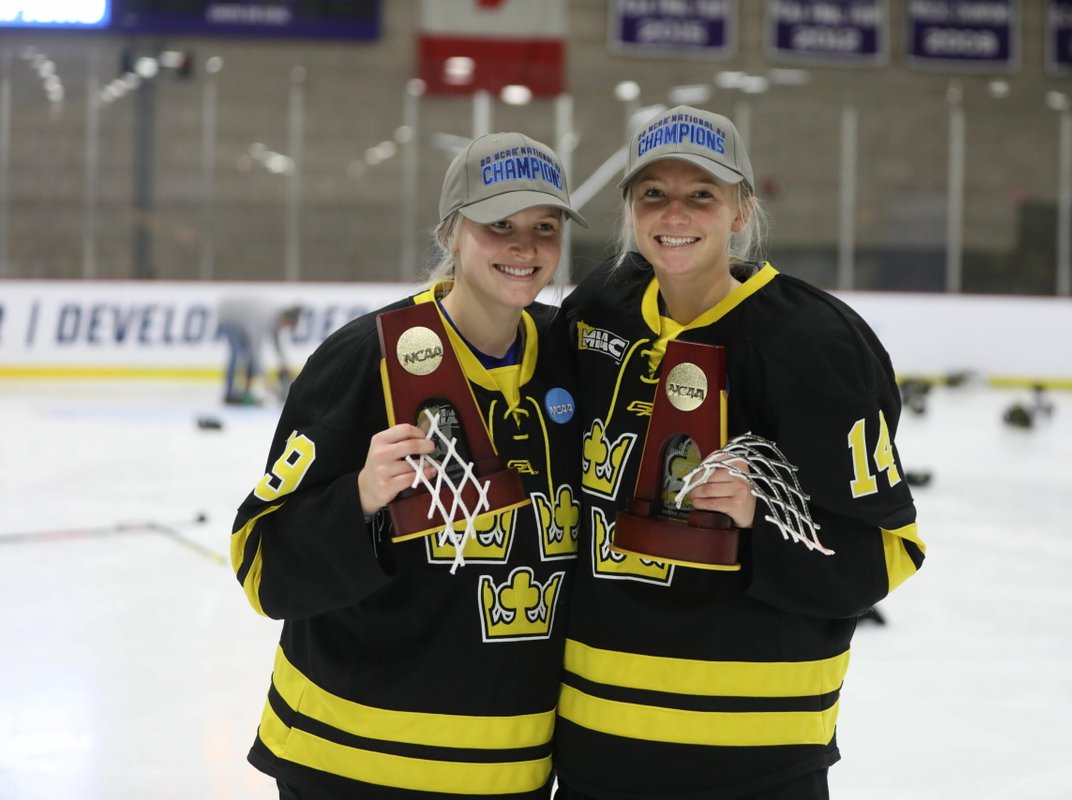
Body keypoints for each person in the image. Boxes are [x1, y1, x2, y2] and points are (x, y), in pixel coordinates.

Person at [553, 106, 926, 799]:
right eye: (653, 194)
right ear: (631, 209)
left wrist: (763, 519)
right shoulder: (599, 308)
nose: (675, 213)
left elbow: (882, 555)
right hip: (595, 747)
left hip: (755, 758)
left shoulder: (818, 343)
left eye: (703, 195)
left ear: (741, 211)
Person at [229, 131, 587, 799]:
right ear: (452, 232)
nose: (525, 247)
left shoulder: (573, 358)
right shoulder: (365, 358)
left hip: (510, 772)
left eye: (545, 227)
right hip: (350, 764)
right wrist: (360, 499)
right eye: (498, 224)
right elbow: (261, 563)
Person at [215, 298, 302, 405]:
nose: (285, 328)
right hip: (229, 317)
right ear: (285, 319)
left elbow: (277, 345)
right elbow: (254, 352)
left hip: (244, 321)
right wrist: (268, 381)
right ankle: (229, 394)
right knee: (236, 353)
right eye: (287, 325)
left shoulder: (275, 320)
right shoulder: (262, 320)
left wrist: (285, 365)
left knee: (248, 359)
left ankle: (246, 393)